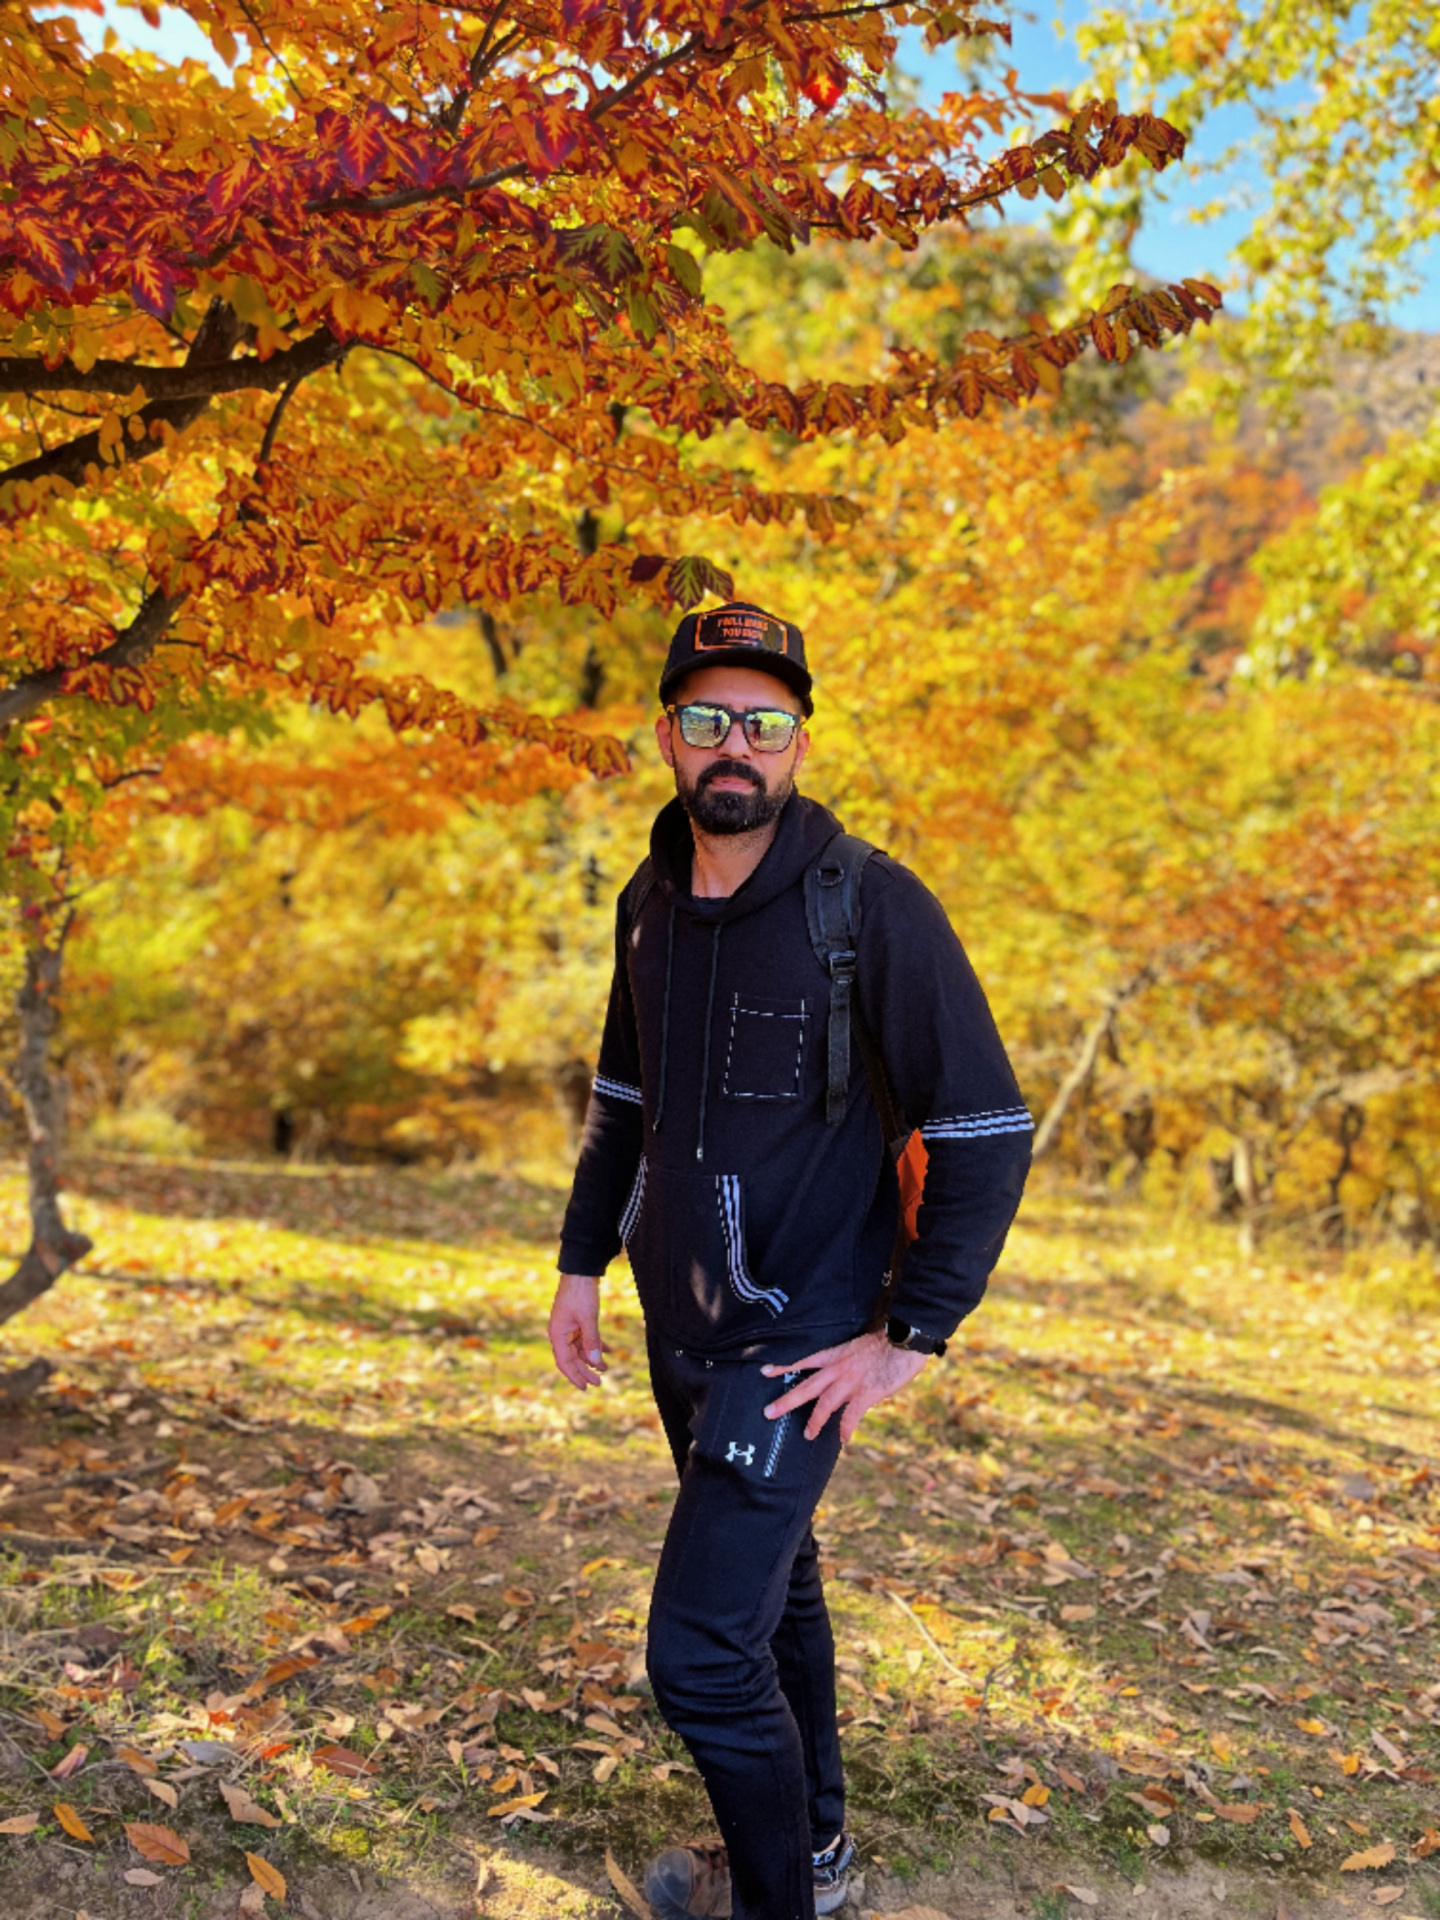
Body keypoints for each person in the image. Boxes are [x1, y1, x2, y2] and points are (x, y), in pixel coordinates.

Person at [547, 602, 1032, 1920]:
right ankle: (813, 1857)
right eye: (709, 718)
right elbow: (624, 1099)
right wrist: (584, 1261)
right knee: (778, 1591)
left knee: (702, 1659)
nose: (735, 747)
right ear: (668, 736)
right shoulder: (648, 901)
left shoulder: (870, 904)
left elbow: (985, 1128)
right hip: (679, 1326)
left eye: (764, 724)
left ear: (800, 745)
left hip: (800, 1338)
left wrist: (908, 1337)